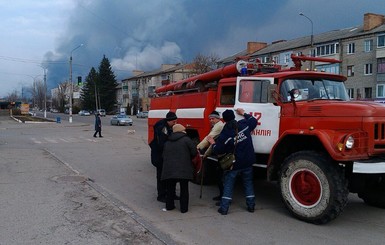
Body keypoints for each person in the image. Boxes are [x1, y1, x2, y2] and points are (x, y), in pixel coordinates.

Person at [208, 108, 258, 215]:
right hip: (248, 161)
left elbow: (218, 150)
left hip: (234, 164)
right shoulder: (244, 124)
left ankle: (224, 208)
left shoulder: (225, 133)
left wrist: (212, 142)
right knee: (248, 184)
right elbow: (254, 121)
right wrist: (244, 113)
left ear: (224, 120)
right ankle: (251, 206)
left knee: (228, 185)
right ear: (234, 117)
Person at [161, 124, 197, 213]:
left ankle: (169, 206)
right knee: (184, 189)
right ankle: (183, 209)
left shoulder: (167, 141)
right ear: (182, 130)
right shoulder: (187, 140)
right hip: (184, 168)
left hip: (169, 169)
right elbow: (194, 152)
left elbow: (163, 155)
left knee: (170, 188)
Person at [149, 111, 178, 203]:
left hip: (164, 156)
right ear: (168, 121)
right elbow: (162, 144)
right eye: (174, 122)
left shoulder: (167, 126)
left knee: (169, 176)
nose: (175, 124)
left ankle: (171, 194)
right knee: (161, 176)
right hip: (159, 156)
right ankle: (161, 195)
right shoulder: (162, 128)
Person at [196, 110, 224, 202]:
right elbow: (212, 143)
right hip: (219, 151)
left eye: (213, 118)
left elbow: (209, 138)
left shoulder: (218, 126)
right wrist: (206, 154)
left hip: (222, 153)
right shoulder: (217, 125)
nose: (211, 120)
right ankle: (222, 195)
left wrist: (198, 147)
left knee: (221, 177)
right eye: (210, 119)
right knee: (220, 176)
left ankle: (223, 197)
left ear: (217, 119)